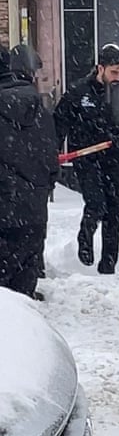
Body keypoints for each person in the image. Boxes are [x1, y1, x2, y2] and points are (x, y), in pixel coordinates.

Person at [54, 43, 119, 274]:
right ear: (100, 69)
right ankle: (85, 238)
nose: (118, 77)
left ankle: (108, 267)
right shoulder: (79, 92)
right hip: (87, 159)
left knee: (114, 214)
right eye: (113, 72)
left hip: (116, 159)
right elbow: (59, 124)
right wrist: (52, 150)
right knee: (96, 204)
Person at [0, 44, 59, 299]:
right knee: (22, 293)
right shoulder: (38, 106)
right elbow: (50, 157)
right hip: (32, 209)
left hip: (3, 207)